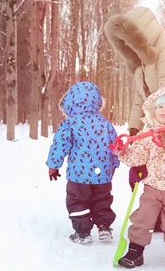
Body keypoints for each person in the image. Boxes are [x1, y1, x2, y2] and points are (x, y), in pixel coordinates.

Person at [104, 6, 165, 232]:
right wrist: (134, 132)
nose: (129, 46)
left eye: (132, 40)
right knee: (158, 178)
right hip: (156, 129)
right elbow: (139, 100)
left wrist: (145, 144)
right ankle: (162, 216)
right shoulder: (142, 64)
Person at [116, 87, 165, 270]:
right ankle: (135, 251)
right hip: (152, 186)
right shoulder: (146, 135)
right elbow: (137, 157)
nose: (164, 111)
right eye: (161, 107)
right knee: (143, 217)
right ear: (154, 110)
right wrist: (122, 151)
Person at [46, 81, 120, 245]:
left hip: (79, 175)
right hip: (103, 174)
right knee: (102, 199)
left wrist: (53, 165)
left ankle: (82, 232)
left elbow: (60, 145)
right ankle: (104, 227)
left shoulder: (70, 123)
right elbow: (115, 145)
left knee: (78, 200)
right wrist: (114, 164)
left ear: (70, 102)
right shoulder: (105, 124)